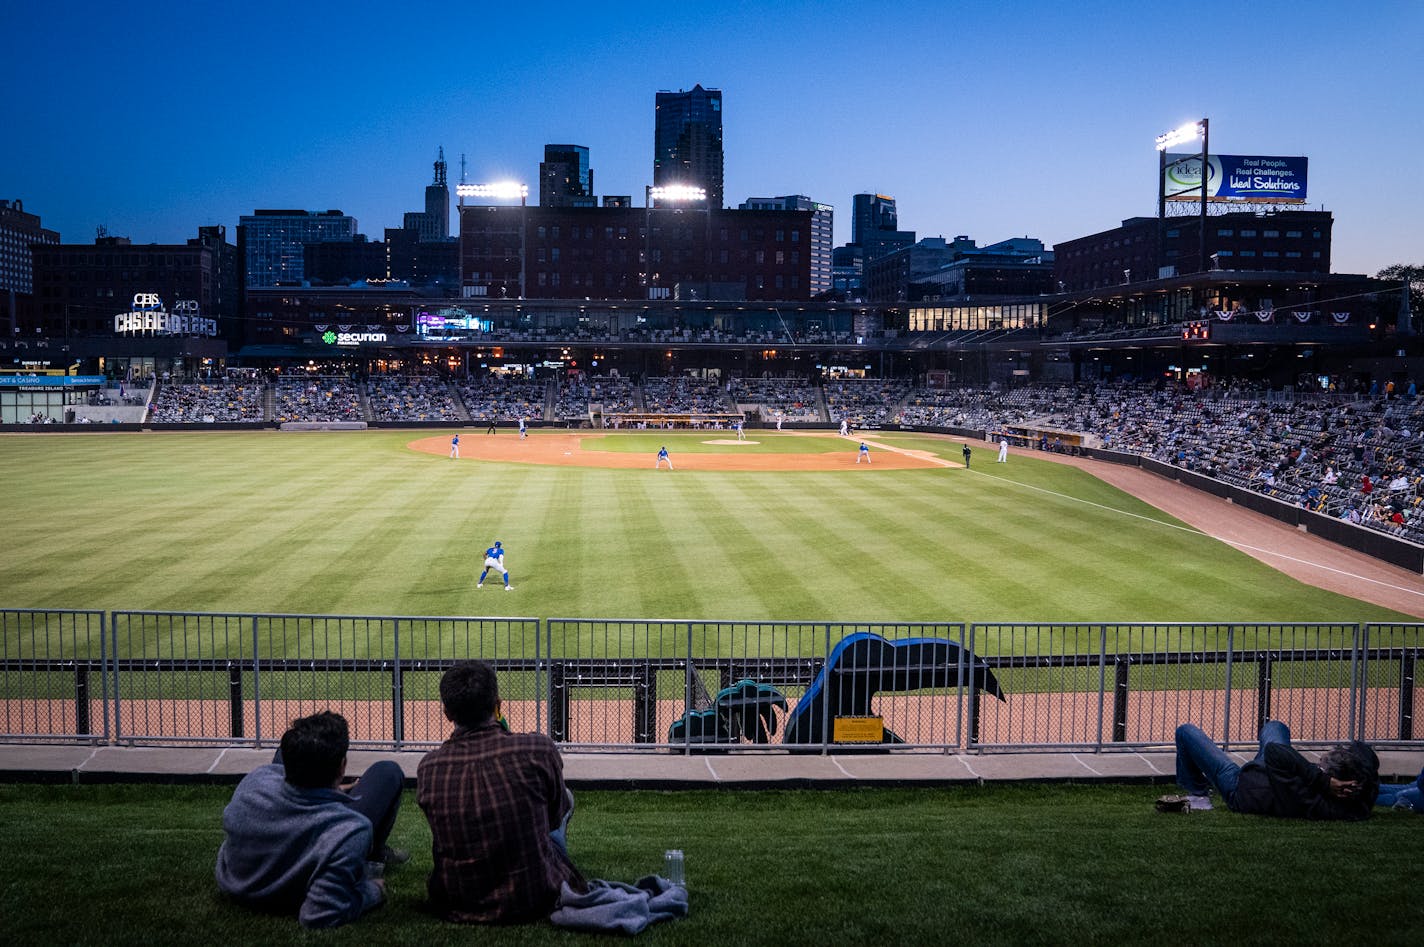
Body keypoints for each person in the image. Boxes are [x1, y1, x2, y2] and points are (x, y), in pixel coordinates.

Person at [417, 661, 585, 924]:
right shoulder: (538, 749)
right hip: (535, 896)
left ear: (447, 713)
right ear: (498, 704)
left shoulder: (429, 767)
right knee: (566, 799)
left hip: (458, 901)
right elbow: (554, 817)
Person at [215, 711, 405, 929]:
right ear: (342, 766)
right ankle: (373, 858)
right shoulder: (350, 829)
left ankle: (320, 786)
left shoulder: (255, 780)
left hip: (237, 885)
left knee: (295, 750)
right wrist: (373, 891)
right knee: (387, 771)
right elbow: (318, 915)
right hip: (294, 890)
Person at [1172, 720, 1378, 819]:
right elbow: (1365, 753)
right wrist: (1364, 780)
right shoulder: (1358, 802)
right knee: (1275, 727)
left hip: (1241, 788)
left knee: (1185, 732)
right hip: (1270, 769)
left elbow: (1274, 751)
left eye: (1323, 769)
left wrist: (1322, 781)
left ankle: (1198, 795)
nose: (1319, 767)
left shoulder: (1314, 800)